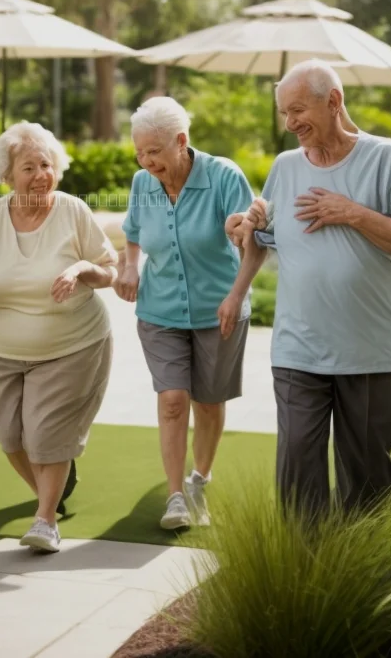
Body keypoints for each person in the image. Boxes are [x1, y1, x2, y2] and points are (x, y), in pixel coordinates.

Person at [226, 59, 391, 517]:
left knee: (366, 477)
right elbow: (266, 237)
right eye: (285, 113)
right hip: (298, 348)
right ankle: (305, 574)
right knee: (298, 466)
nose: (290, 123)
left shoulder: (385, 158)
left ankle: (372, 570)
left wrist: (351, 212)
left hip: (368, 351)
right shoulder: (285, 166)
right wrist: (245, 227)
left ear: (334, 102)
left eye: (298, 110)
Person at [0, 121, 118, 553]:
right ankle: (55, 485)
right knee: (10, 437)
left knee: (44, 436)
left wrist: (80, 270)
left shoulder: (72, 211)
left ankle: (45, 519)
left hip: (71, 345)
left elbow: (109, 270)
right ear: (7, 175)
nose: (41, 174)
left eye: (47, 164)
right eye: (29, 167)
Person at [114, 96, 260, 531]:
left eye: (153, 151)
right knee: (174, 400)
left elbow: (252, 241)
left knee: (208, 402)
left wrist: (236, 294)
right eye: (139, 152)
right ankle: (176, 494)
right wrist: (129, 267)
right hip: (159, 311)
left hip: (220, 310)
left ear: (181, 141)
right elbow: (133, 232)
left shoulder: (223, 177)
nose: (145, 161)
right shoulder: (144, 183)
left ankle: (201, 476)